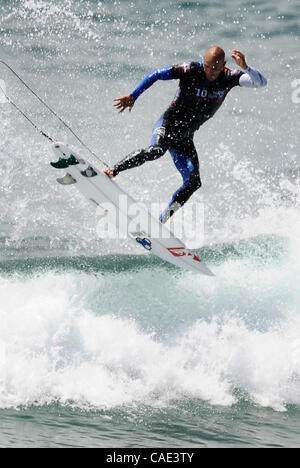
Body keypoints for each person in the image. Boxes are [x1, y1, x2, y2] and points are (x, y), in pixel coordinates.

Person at [103, 47, 267, 223]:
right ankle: (112, 171)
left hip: (185, 137)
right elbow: (157, 73)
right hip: (168, 124)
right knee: (156, 151)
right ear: (203, 62)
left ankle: (161, 221)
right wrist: (134, 96)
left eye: (215, 68)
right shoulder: (190, 70)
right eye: (208, 66)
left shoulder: (230, 77)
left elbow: (261, 83)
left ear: (223, 66)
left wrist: (246, 67)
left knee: (194, 182)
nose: (211, 71)